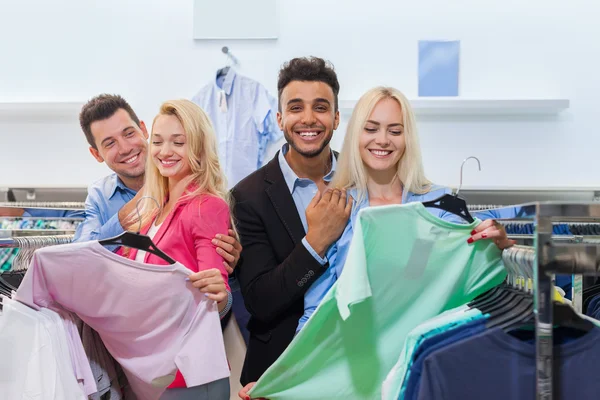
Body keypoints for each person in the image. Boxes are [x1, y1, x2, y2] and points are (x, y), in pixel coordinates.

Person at [236, 86, 514, 400]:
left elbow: (471, 277)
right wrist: (285, 381)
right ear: (356, 135)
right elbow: (317, 311)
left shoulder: (441, 205)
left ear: (408, 138)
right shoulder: (334, 207)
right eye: (371, 129)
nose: (382, 140)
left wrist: (498, 247)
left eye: (395, 130)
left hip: (417, 373)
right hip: (354, 377)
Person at [232, 57, 351, 386]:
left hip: (353, 363)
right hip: (279, 370)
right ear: (281, 118)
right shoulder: (246, 197)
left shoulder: (361, 182)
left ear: (337, 117)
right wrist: (316, 242)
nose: (309, 119)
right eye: (296, 108)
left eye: (321, 107)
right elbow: (260, 300)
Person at [120, 99, 233, 399]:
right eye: (157, 141)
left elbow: (216, 290)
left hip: (188, 377)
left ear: (197, 147)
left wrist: (220, 297)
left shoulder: (207, 206)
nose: (164, 151)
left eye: (178, 142)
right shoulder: (150, 213)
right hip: (150, 373)